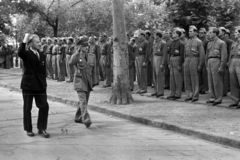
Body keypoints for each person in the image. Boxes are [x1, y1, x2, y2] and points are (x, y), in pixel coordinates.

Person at [18, 33, 50, 138]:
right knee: (27, 108)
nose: (40, 44)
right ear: (30, 44)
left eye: (39, 41)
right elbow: (20, 52)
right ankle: (28, 129)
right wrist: (25, 40)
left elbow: (43, 70)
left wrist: (44, 81)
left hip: (40, 85)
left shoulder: (42, 54)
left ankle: (42, 128)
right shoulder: (26, 53)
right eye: (37, 42)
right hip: (29, 84)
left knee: (44, 106)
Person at [69, 36, 96, 128]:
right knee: (83, 100)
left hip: (88, 81)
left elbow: (94, 70)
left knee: (85, 101)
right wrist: (77, 52)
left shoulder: (92, 56)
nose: (86, 48)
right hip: (79, 81)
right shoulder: (77, 56)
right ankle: (86, 119)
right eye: (84, 46)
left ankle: (78, 117)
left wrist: (95, 81)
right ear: (80, 47)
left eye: (87, 46)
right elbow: (70, 63)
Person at [206, 27, 227, 106]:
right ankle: (212, 97)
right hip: (210, 61)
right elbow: (206, 55)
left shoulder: (221, 43)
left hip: (217, 61)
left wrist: (221, 66)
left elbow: (224, 56)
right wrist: (206, 64)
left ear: (215, 33)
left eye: (210, 32)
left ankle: (218, 98)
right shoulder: (209, 43)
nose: (209, 34)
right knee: (210, 81)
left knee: (217, 81)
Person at [184, 26, 205, 102]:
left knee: (194, 79)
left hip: (194, 59)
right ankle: (189, 94)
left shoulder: (199, 42)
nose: (189, 32)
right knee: (187, 78)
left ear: (196, 32)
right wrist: (184, 62)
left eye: (191, 31)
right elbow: (184, 53)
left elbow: (202, 54)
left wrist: (200, 65)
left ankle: (195, 96)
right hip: (187, 59)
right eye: (189, 31)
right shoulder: (187, 41)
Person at [167, 28, 184, 100]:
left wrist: (180, 65)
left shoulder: (181, 43)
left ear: (178, 34)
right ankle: (172, 93)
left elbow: (182, 55)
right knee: (172, 78)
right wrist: (169, 62)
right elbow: (169, 52)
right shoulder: (172, 42)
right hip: (172, 58)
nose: (172, 34)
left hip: (177, 58)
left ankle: (178, 94)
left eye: (174, 33)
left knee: (177, 78)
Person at [134, 29, 150, 94]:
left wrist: (145, 61)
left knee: (142, 74)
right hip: (137, 57)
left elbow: (147, 53)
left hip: (142, 57)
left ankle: (144, 88)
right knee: (138, 74)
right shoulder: (138, 42)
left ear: (143, 35)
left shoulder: (146, 42)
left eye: (140, 35)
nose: (138, 37)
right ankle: (140, 88)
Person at [151, 31, 167, 97]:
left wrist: (163, 63)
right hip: (154, 58)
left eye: (155, 35)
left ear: (158, 36)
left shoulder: (163, 43)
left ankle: (160, 92)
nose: (155, 37)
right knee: (154, 75)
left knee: (159, 75)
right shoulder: (154, 42)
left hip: (160, 58)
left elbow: (164, 54)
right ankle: (156, 90)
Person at [228, 26, 240, 109]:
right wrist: (229, 64)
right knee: (233, 82)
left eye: (236, 32)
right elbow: (230, 55)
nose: (234, 34)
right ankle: (235, 100)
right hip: (233, 61)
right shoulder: (234, 43)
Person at [198, 27, 209, 94]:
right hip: (198, 57)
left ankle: (204, 88)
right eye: (199, 32)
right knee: (198, 74)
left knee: (204, 74)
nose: (200, 34)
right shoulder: (198, 40)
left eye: (202, 33)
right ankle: (199, 87)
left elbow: (207, 51)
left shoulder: (206, 41)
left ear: (205, 33)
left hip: (204, 57)